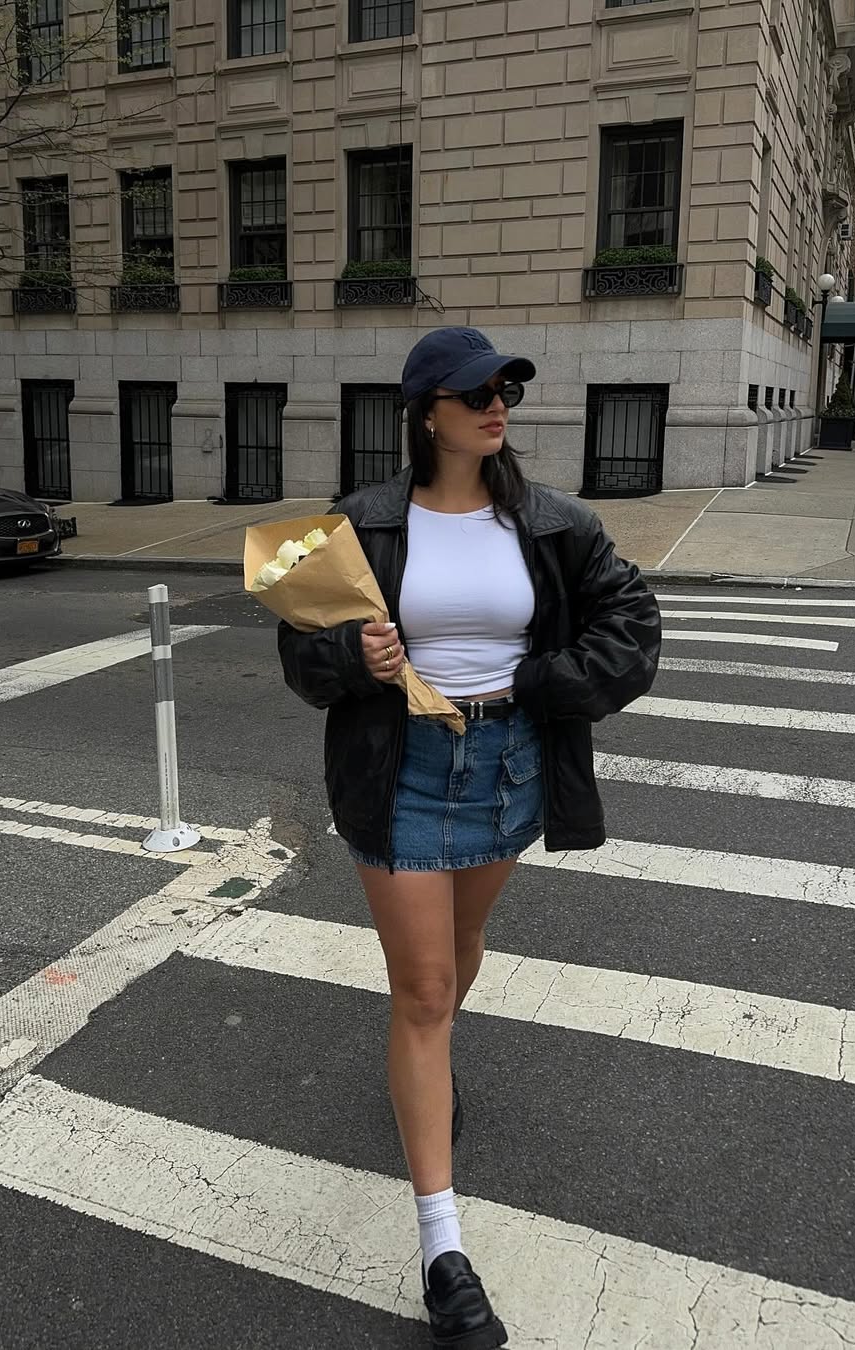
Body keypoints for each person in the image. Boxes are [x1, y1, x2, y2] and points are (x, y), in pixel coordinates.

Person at [278, 327, 662, 1348]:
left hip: (510, 770)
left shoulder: (549, 522)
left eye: (506, 389)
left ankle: (427, 1066)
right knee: (425, 989)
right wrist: (354, 655)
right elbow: (298, 649)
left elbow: (632, 621)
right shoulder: (362, 520)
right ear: (427, 413)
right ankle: (444, 1252)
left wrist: (547, 682)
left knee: (459, 956)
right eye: (477, 391)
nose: (498, 404)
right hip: (401, 772)